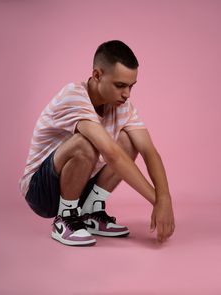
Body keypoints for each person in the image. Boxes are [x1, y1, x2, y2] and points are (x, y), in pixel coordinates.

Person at [20, 40, 175, 247]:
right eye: (120, 85)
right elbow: (111, 154)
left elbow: (149, 151)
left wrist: (165, 198)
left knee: (128, 141)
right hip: (41, 191)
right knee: (86, 143)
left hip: (79, 182)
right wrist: (157, 202)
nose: (127, 94)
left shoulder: (123, 107)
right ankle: (65, 218)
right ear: (97, 76)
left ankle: (90, 212)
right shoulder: (74, 96)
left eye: (131, 86)